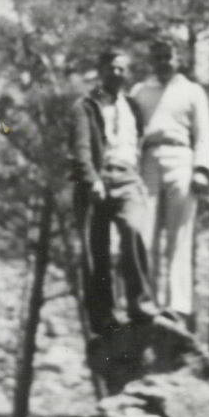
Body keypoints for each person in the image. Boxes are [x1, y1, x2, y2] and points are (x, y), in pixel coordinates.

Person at [70, 47, 159, 336]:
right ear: (101, 70)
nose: (117, 73)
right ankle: (103, 317)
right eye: (111, 68)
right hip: (98, 178)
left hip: (128, 177)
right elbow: (82, 147)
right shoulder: (86, 106)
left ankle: (140, 304)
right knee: (98, 251)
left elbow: (140, 142)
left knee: (133, 230)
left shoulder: (132, 106)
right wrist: (92, 178)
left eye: (122, 68)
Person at [130, 36, 209, 330]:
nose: (163, 62)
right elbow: (129, 131)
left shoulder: (192, 91)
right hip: (148, 161)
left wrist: (202, 168)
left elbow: (204, 134)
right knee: (142, 232)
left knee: (179, 235)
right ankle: (145, 302)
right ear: (151, 60)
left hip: (181, 158)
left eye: (169, 56)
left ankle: (177, 305)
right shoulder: (140, 91)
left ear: (178, 59)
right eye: (158, 57)